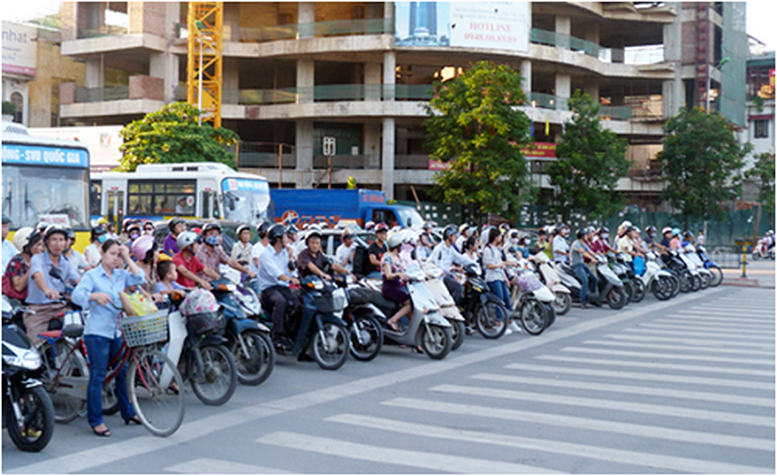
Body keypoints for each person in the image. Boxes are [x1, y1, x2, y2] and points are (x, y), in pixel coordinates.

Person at [72, 239, 143, 437]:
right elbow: (77, 296)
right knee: (98, 375)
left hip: (116, 331)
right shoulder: (92, 276)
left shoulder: (121, 275)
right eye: (112, 254)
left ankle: (128, 412)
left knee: (122, 372)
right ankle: (95, 420)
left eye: (118, 255)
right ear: (102, 253)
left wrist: (128, 257)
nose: (115, 258)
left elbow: (139, 279)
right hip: (97, 333)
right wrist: (95, 296)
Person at [24, 225, 82, 346]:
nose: (58, 244)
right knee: (36, 344)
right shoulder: (37, 258)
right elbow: (37, 275)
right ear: (46, 242)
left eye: (61, 240)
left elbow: (78, 279)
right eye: (54, 239)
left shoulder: (65, 263)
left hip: (61, 307)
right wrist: (47, 290)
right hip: (38, 309)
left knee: (79, 334)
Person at [258, 224, 301, 351]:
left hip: (283, 287)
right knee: (280, 301)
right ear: (278, 239)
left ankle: (291, 333)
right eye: (284, 236)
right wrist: (290, 279)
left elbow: (289, 272)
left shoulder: (284, 253)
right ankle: (277, 335)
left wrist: (291, 259)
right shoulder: (265, 255)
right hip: (269, 289)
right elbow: (277, 274)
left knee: (298, 305)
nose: (287, 239)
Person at [428, 224, 474, 305]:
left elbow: (460, 258)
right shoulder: (439, 249)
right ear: (449, 236)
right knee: (458, 288)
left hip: (448, 274)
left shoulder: (450, 248)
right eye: (454, 236)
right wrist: (454, 269)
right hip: (439, 277)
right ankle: (454, 308)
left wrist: (474, 262)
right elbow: (440, 267)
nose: (455, 238)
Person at [381, 231, 412, 332]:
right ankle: (393, 321)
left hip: (398, 286)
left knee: (412, 312)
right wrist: (398, 274)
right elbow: (389, 275)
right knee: (409, 304)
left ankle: (408, 335)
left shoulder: (397, 257)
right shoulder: (387, 257)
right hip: (390, 288)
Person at [2, 228, 45, 301]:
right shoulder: (17, 261)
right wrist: (34, 267)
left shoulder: (41, 259)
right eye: (38, 245)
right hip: (18, 302)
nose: (42, 249)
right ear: (26, 246)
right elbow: (18, 287)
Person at [570, 228, 599, 308]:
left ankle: (592, 298)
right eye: (586, 235)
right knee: (585, 281)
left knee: (595, 279)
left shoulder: (584, 244)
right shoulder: (576, 244)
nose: (587, 236)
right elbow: (583, 252)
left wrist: (597, 256)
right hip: (576, 265)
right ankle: (582, 301)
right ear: (582, 236)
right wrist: (592, 259)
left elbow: (589, 251)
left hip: (582, 264)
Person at [131, 235, 163, 303]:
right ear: (149, 254)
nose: (158, 254)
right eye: (156, 251)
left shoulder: (153, 267)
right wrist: (151, 297)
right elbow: (136, 292)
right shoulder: (133, 270)